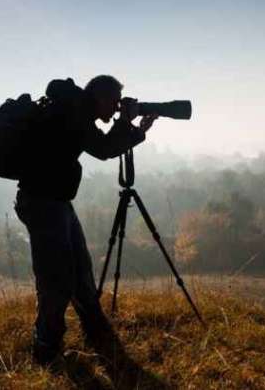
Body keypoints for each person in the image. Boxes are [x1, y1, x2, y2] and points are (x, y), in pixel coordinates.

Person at [14, 75, 157, 366]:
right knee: (57, 279)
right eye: (115, 102)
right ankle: (46, 348)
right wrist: (128, 125)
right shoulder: (74, 114)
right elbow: (103, 149)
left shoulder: (77, 112)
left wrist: (135, 129)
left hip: (56, 201)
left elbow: (102, 145)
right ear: (100, 98)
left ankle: (97, 331)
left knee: (81, 269)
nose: (116, 109)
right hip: (43, 203)